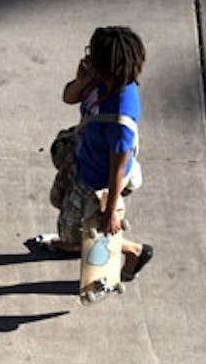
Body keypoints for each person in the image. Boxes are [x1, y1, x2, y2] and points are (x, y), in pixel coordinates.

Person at [32, 26, 153, 280]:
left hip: (96, 182)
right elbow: (68, 97)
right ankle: (74, 241)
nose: (87, 57)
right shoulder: (99, 82)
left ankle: (132, 251)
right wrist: (81, 81)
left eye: (92, 55)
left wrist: (109, 211)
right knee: (59, 200)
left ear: (107, 65)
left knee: (78, 228)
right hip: (81, 160)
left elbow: (118, 167)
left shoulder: (121, 116)